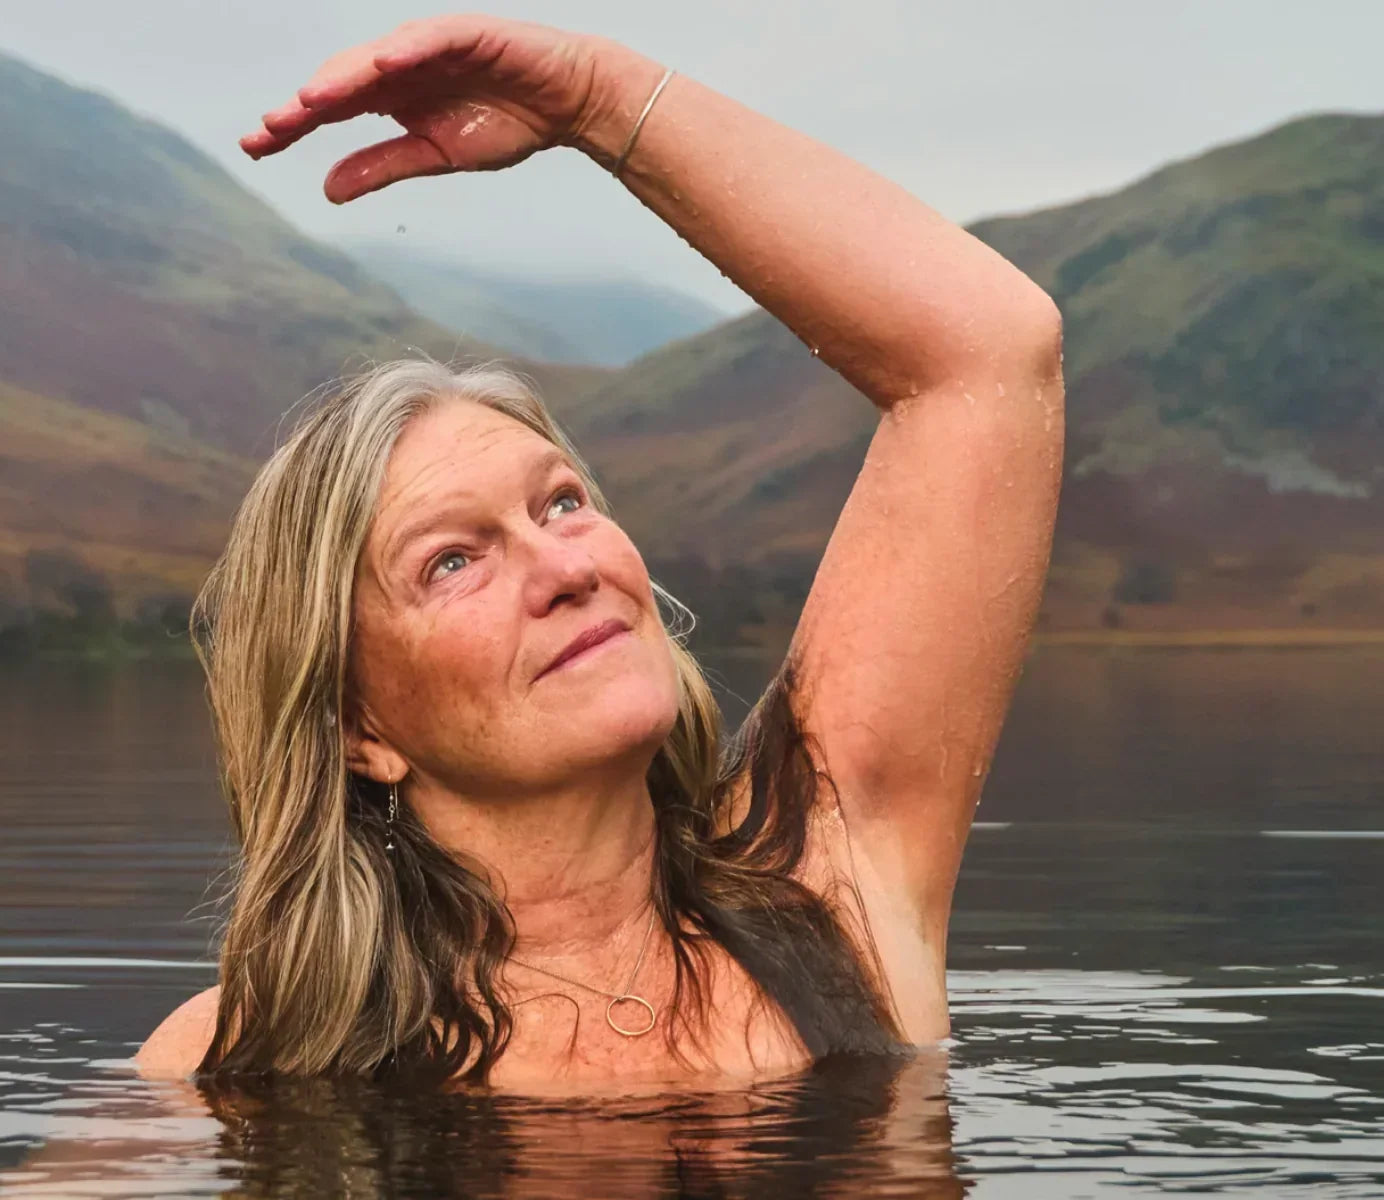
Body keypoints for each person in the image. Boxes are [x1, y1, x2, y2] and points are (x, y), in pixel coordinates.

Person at [135, 12, 1064, 1090]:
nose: (568, 568)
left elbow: (986, 355)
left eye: (564, 504)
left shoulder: (830, 886)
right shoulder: (249, 1058)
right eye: (454, 561)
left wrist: (598, 101)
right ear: (357, 727)